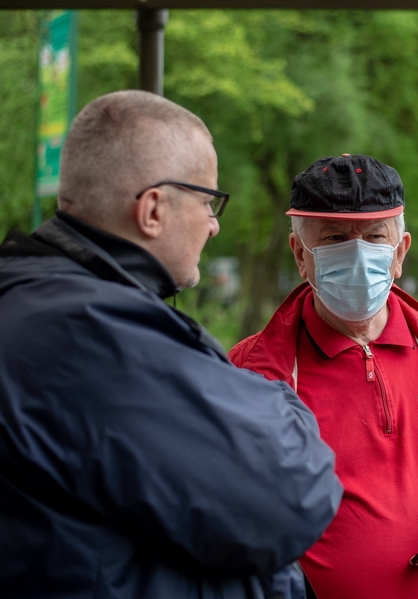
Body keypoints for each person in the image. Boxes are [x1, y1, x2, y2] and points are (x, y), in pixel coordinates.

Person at [0, 90, 342, 598]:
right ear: (154, 209)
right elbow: (289, 495)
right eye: (207, 201)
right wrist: (281, 401)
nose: (214, 224)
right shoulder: (95, 337)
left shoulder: (34, 300)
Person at [229, 154, 418, 599]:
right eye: (336, 239)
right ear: (300, 255)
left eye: (375, 238)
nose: (359, 256)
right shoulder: (251, 372)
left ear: (400, 253)